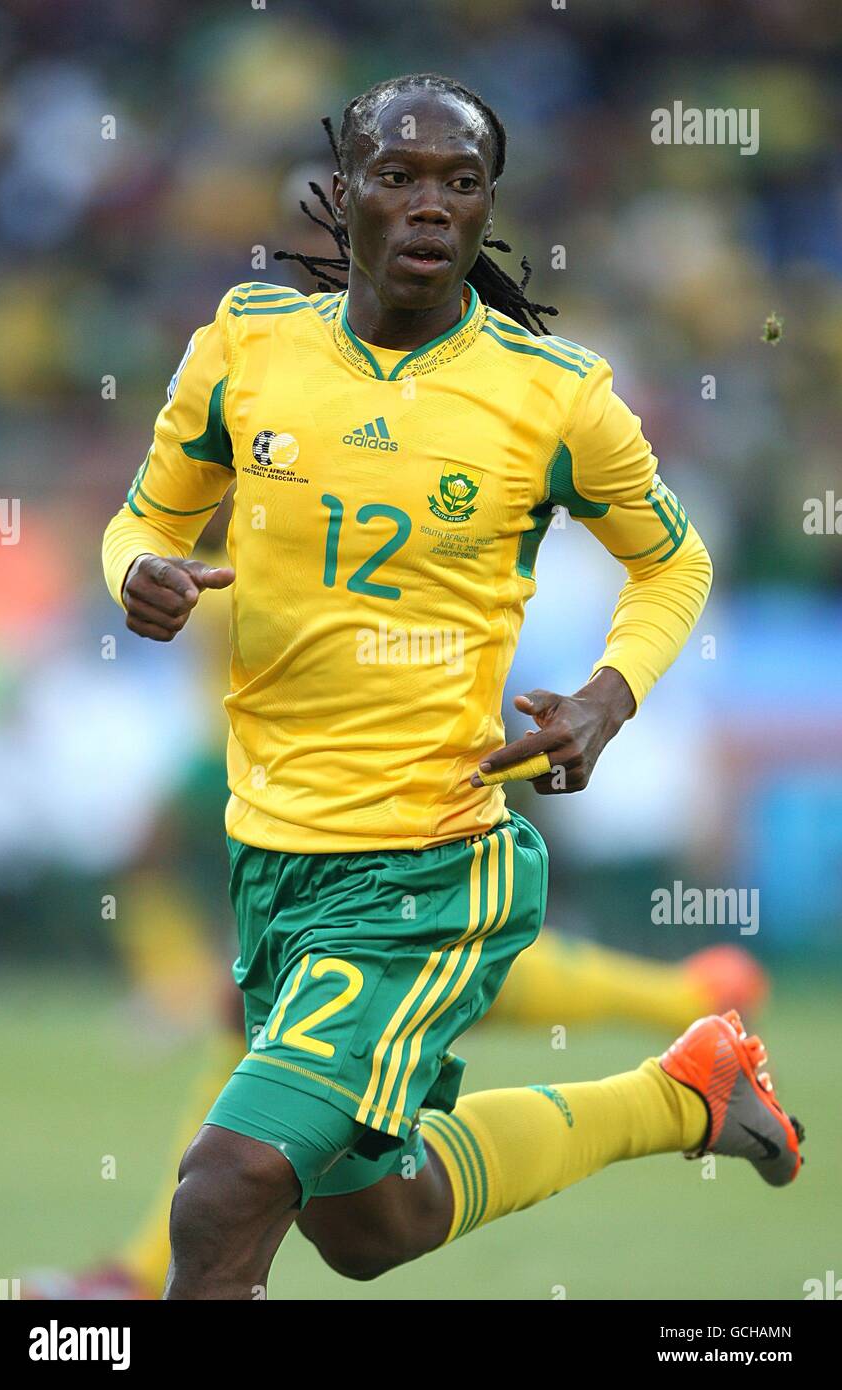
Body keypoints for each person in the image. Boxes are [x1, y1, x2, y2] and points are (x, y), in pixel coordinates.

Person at [101, 73, 803, 1300]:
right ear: (345, 194)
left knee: (221, 1191)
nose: (428, 207)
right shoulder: (244, 347)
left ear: (486, 212)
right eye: (397, 177)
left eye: (459, 184)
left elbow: (671, 561)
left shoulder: (553, 394)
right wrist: (136, 573)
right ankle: (682, 1091)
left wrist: (607, 696)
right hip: (271, 861)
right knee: (375, 1225)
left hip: (423, 866)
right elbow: (141, 518)